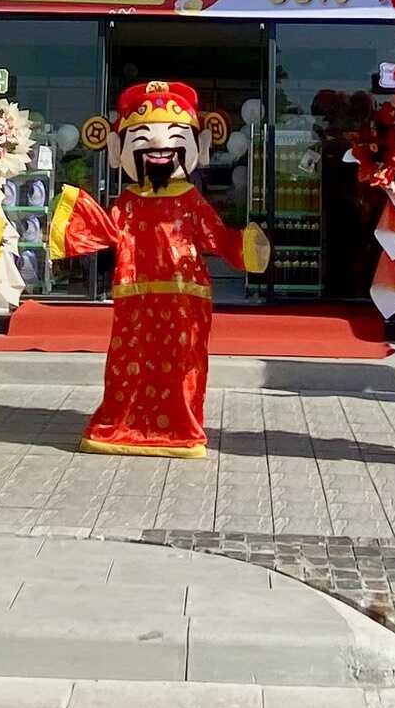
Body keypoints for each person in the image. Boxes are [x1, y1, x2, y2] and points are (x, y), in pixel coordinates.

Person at [49, 80, 267, 459]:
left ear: (198, 146)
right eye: (142, 138)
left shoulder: (191, 199)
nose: (158, 146)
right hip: (135, 294)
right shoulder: (128, 200)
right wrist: (74, 221)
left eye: (174, 136)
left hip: (185, 296)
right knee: (129, 363)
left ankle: (181, 427)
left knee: (183, 363)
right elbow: (109, 229)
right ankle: (126, 423)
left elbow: (217, 237)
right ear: (118, 150)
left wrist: (245, 246)